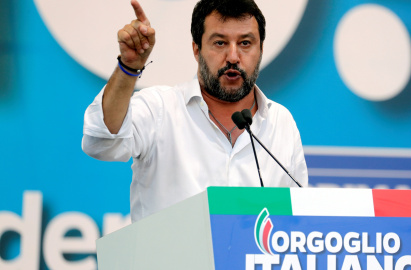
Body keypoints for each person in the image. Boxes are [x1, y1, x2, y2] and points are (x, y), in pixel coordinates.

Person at [82, 0, 308, 222]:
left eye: (245, 43)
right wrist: (128, 67)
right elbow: (101, 141)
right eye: (220, 43)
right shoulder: (161, 108)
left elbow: (297, 220)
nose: (233, 57)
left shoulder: (281, 122)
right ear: (196, 49)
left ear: (260, 50)